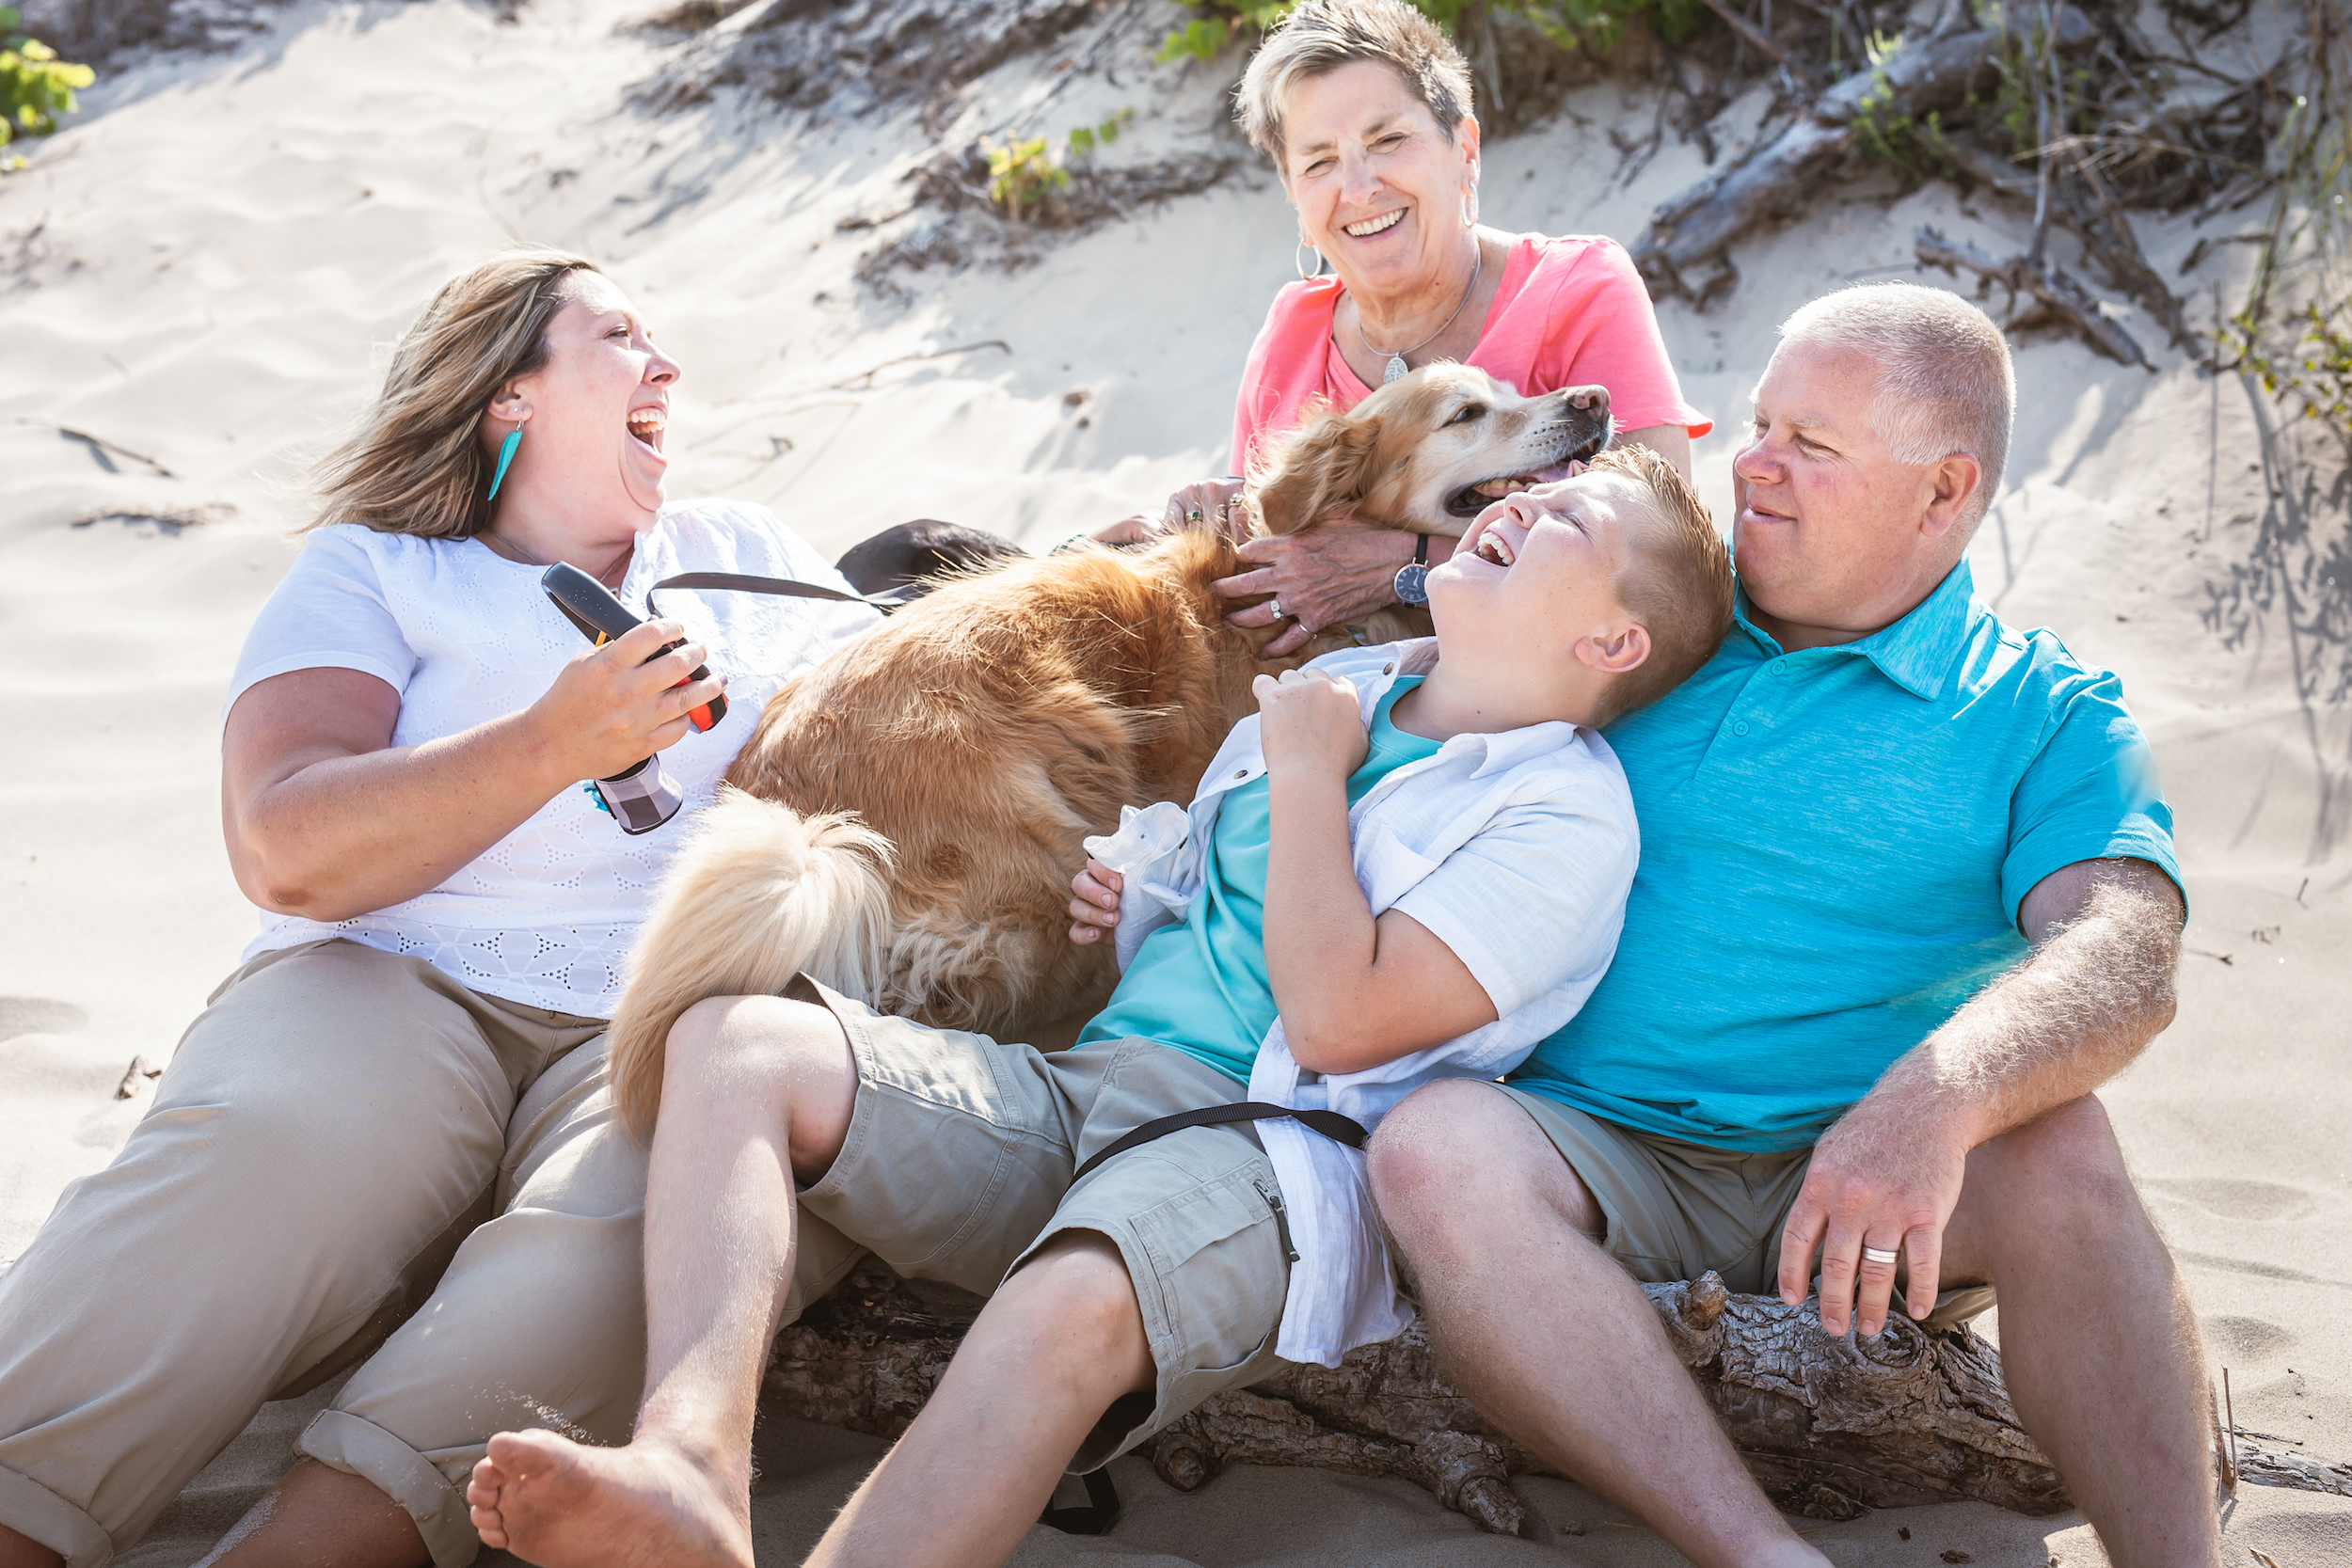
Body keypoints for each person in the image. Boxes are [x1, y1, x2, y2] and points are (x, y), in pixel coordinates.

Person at [457, 445, 1737, 1568]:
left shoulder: (1560, 812)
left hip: (1259, 1153)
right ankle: (690, 1462)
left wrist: (1303, 781)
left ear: (1613, 641)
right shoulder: (1359, 684)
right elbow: (1212, 925)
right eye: (1542, 487)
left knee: (1064, 1305)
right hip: (1096, 1082)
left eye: (1573, 518)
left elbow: (1342, 1023)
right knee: (732, 1040)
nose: (1529, 501)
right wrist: (1137, 903)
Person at [0, 250, 881, 1568]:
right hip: (390, 969)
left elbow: (911, 726)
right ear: (509, 395)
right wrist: (548, 741)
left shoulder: (745, 552)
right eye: (622, 337)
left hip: (674, 999)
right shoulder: (379, 572)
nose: (669, 368)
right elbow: (284, 841)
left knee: (619, 1243)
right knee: (264, 1149)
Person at [1366, 282, 2217, 1568]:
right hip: (1593, 1142)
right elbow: (1448, 566)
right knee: (1433, 1146)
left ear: (1942, 493)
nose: (1749, 465)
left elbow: (2126, 946)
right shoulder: (1655, 611)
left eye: (1809, 446)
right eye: (1760, 424)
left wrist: (1935, 1099)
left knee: (2066, 1147)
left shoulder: (2041, 710)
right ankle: (1760, 1553)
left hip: (1876, 1178)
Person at [1110, 0, 1708, 660]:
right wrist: (1203, 517)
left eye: (1388, 140)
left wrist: (1406, 564)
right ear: (1295, 199)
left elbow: (1666, 557)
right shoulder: (1292, 330)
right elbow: (1264, 572)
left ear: (1465, 150)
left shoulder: (1579, 288)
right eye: (1318, 162)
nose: (1360, 187)